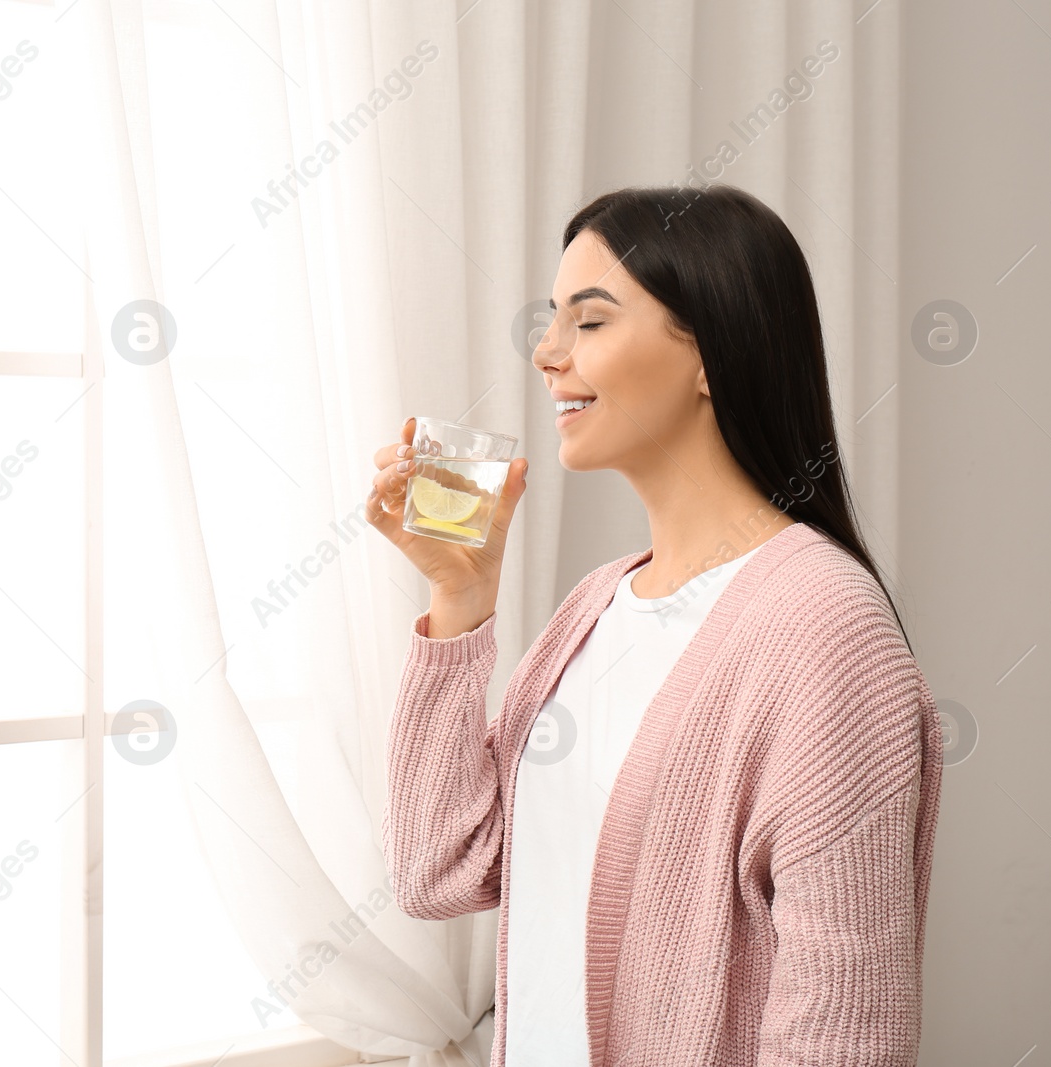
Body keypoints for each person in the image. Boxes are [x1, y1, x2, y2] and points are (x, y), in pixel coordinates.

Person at [365, 184, 943, 1067]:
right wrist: (460, 601)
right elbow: (436, 868)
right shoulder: (595, 608)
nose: (548, 353)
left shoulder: (827, 632)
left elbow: (845, 1033)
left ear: (713, 352)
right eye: (552, 320)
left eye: (589, 322)